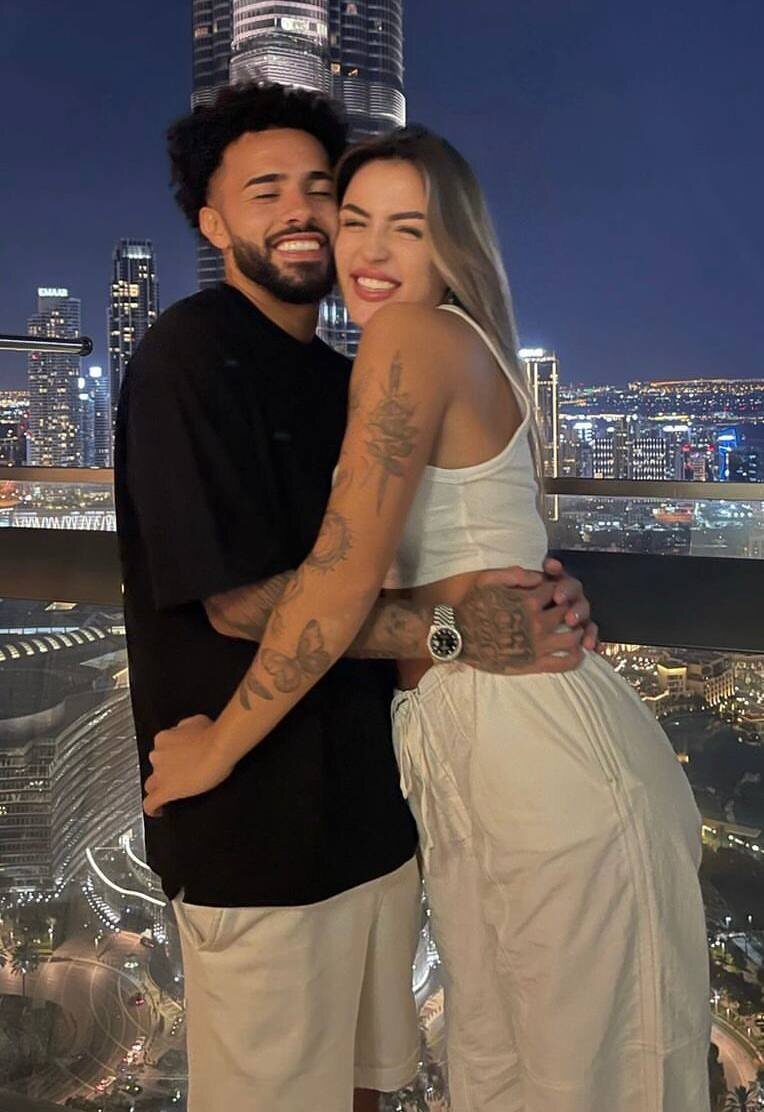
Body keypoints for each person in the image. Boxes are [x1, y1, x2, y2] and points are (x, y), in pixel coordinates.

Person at [143, 123, 712, 1112]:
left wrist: (213, 751)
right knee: (512, 1072)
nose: (368, 250)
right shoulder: (425, 347)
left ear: (453, 246)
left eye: (406, 228)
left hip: (533, 746)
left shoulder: (410, 338)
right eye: (356, 219)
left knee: (578, 1077)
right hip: (474, 742)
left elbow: (337, 581)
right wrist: (477, 614)